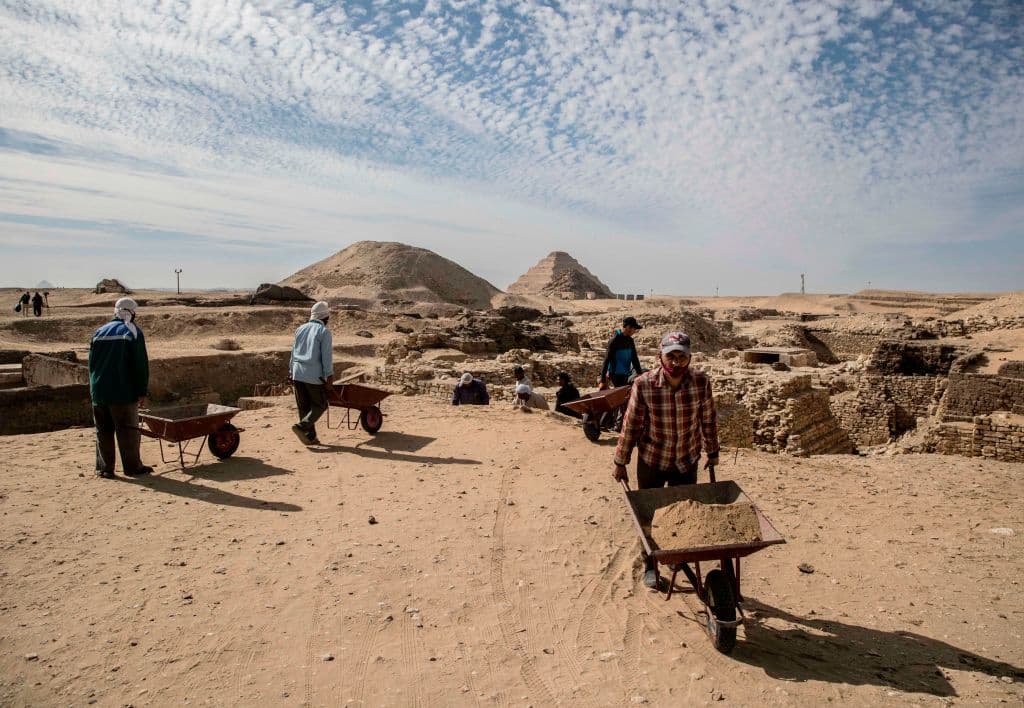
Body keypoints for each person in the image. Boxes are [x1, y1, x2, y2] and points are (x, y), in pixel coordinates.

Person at [611, 331, 720, 589]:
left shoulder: (701, 383)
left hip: (686, 459)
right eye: (671, 356)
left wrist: (712, 452)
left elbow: (708, 420)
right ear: (660, 356)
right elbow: (631, 424)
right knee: (649, 514)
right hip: (653, 459)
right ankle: (650, 562)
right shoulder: (644, 384)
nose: (676, 362)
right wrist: (620, 460)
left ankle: (673, 555)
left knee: (681, 512)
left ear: (689, 358)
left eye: (682, 357)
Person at [88, 297, 152, 478]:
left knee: (103, 431)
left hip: (99, 393)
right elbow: (140, 364)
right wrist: (141, 391)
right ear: (132, 313)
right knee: (128, 431)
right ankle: (132, 467)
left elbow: (91, 364)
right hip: (122, 392)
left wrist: (94, 389)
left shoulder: (98, 332)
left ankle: (105, 468)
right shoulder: (132, 332)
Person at [290, 301, 334, 445]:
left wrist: (291, 372)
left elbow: (293, 353)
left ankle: (310, 437)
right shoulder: (324, 332)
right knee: (320, 405)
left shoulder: (300, 329)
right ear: (325, 318)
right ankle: (301, 427)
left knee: (304, 407)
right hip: (313, 375)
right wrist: (329, 378)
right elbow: (326, 357)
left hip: (297, 373)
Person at [600, 316, 644, 430]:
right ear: (628, 327)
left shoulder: (630, 340)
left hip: (625, 373)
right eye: (634, 329)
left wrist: (640, 373)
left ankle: (612, 424)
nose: (635, 331)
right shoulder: (615, 340)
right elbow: (606, 360)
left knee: (621, 400)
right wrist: (602, 380)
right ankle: (605, 423)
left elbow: (634, 358)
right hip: (615, 373)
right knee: (618, 399)